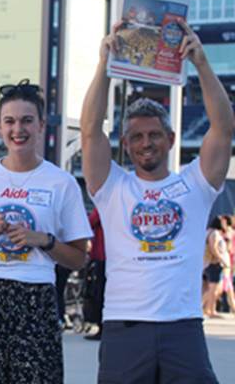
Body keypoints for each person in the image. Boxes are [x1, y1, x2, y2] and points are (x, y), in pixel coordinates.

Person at [80, 20, 232, 383]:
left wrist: (202, 63)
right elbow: (89, 131)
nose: (146, 143)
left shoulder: (194, 184)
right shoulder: (112, 186)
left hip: (182, 325)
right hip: (124, 326)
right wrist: (104, 65)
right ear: (126, 144)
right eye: (136, 137)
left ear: (171, 138)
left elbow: (224, 129)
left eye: (154, 135)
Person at [0, 79, 92, 384]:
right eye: (9, 121)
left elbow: (79, 259)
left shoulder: (61, 182)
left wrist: (44, 241)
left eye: (26, 120)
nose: (17, 129)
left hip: (36, 299)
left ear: (41, 125)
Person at [83, 208, 107, 341]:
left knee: (99, 293)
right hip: (113, 255)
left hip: (101, 255)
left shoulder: (102, 207)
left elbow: (88, 223)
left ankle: (101, 326)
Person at [203, 216, 229, 317]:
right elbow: (213, 248)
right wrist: (222, 259)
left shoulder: (208, 231)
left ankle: (208, 309)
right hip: (214, 263)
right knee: (213, 289)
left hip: (209, 263)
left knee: (212, 288)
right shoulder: (214, 233)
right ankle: (211, 310)